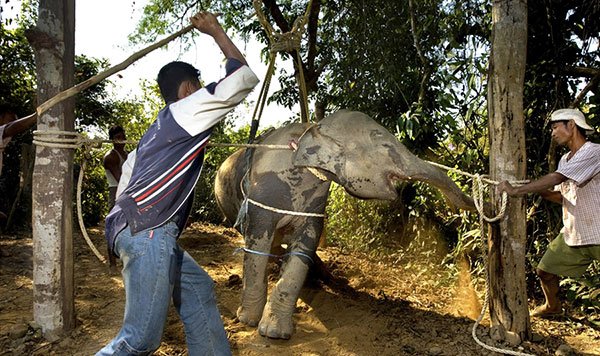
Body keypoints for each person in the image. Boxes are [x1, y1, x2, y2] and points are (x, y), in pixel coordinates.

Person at [97, 11, 259, 356]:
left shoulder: (152, 134)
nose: (203, 94)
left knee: (197, 289)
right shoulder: (187, 110)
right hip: (150, 232)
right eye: (198, 88)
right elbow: (243, 76)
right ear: (188, 89)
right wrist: (215, 30)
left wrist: (128, 232)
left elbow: (125, 186)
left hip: (138, 230)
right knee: (140, 339)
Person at [497, 108, 600, 317]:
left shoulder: (594, 151)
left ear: (571, 125)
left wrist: (517, 190)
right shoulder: (565, 160)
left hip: (598, 231)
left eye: (555, 127)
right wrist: (540, 191)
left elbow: (557, 178)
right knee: (545, 271)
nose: (552, 133)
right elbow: (562, 196)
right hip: (575, 233)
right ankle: (553, 307)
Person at [103, 125, 128, 209]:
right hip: (116, 191)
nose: (122, 140)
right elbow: (121, 179)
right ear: (112, 140)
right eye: (118, 137)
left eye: (123, 136)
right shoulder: (111, 157)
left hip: (127, 191)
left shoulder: (127, 155)